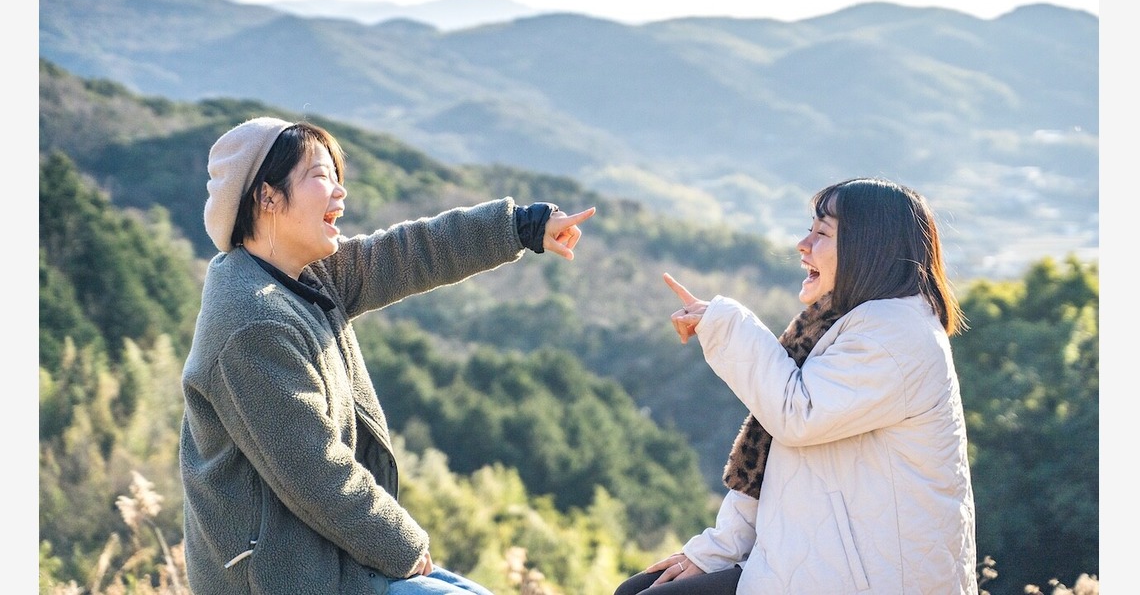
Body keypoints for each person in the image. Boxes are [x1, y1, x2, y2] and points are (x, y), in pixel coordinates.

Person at [179, 116, 596, 595]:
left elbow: (408, 253)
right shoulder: (253, 323)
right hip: (287, 574)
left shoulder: (302, 277)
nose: (340, 193)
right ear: (266, 196)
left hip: (330, 555)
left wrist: (521, 228)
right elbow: (316, 472)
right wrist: (404, 545)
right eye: (320, 177)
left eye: (339, 178)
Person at [615, 177, 976, 595]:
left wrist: (727, 323)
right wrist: (713, 551)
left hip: (866, 578)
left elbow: (796, 416)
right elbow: (768, 460)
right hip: (816, 563)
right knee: (635, 591)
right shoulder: (839, 326)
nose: (802, 245)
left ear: (868, 248)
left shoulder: (895, 336)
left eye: (822, 232)